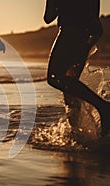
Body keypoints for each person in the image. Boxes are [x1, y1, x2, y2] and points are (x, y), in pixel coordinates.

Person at [44, 0, 110, 136]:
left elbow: (48, 17)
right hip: (86, 33)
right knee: (70, 85)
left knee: (55, 78)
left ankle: (103, 107)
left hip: (71, 31)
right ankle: (79, 133)